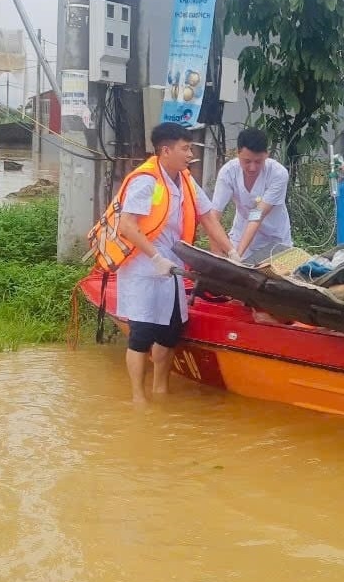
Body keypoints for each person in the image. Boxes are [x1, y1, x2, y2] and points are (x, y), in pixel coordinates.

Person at [110, 122, 236, 403]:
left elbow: (208, 218)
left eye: (190, 148)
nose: (190, 153)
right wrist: (155, 257)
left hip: (172, 268)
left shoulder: (187, 181)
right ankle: (138, 398)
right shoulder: (146, 181)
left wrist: (232, 252)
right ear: (165, 150)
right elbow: (127, 226)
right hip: (144, 268)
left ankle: (161, 390)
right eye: (185, 148)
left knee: (169, 332)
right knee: (141, 335)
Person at [210, 127, 293, 265]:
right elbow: (214, 216)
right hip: (240, 233)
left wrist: (237, 255)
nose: (252, 167)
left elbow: (256, 215)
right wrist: (217, 254)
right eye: (247, 161)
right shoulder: (228, 172)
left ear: (266, 155)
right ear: (238, 153)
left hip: (275, 238)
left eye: (258, 161)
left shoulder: (278, 174)